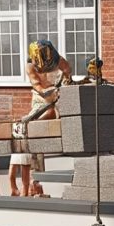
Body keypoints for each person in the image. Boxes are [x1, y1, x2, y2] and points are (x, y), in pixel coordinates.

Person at [15, 40, 71, 196]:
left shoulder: (57, 59)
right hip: (41, 98)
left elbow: (67, 70)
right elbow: (37, 85)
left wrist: (64, 82)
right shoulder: (30, 66)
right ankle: (35, 180)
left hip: (58, 94)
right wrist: (45, 91)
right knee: (38, 125)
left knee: (61, 115)